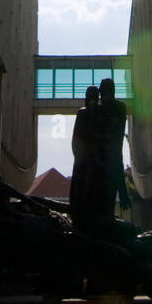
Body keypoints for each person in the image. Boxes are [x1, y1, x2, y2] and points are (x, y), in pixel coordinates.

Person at [94, 77, 129, 226]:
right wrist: (122, 190)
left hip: (97, 170)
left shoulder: (97, 111)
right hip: (109, 169)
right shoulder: (119, 109)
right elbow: (116, 151)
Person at [69, 85, 99, 231]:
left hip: (85, 164)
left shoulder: (83, 113)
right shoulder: (92, 114)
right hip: (90, 164)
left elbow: (75, 141)